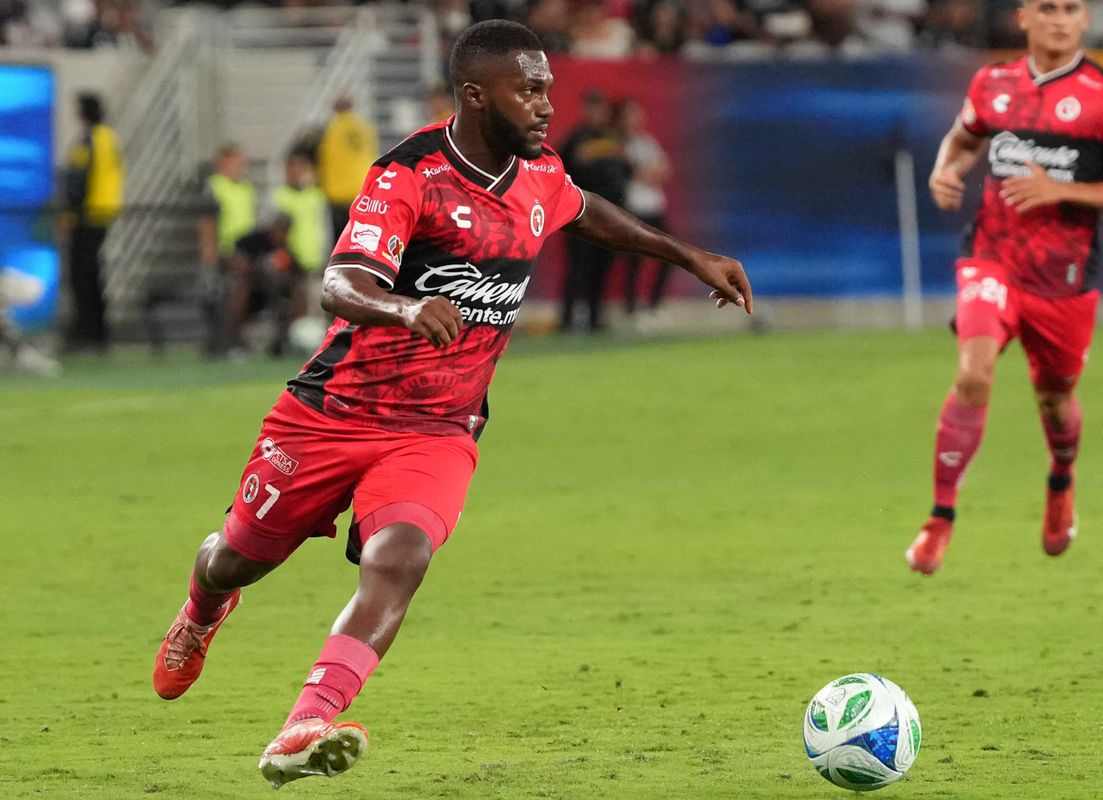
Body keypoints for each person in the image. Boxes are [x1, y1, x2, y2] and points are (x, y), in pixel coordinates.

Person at [151, 19, 752, 789]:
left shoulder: (539, 173)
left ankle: (308, 721)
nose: (545, 104)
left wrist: (687, 252)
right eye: (528, 89)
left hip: (437, 428)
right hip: (332, 413)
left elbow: (583, 209)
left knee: (400, 558)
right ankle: (202, 609)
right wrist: (404, 309)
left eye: (547, 89)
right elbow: (339, 283)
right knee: (238, 559)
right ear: (475, 94)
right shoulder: (410, 174)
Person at [905, 0, 1103, 575]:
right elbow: (964, 138)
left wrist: (1063, 192)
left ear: (1084, 20)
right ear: (1024, 18)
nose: (1059, 19)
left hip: (1063, 281)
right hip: (991, 258)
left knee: (1055, 397)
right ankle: (939, 519)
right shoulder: (992, 82)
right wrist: (946, 168)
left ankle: (1061, 480)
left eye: (1071, 9)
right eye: (1047, 8)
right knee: (973, 372)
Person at [558, 88, 631, 332]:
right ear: (584, 110)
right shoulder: (574, 139)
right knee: (579, 269)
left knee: (602, 269)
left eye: (600, 109)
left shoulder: (614, 138)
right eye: (592, 108)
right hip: (580, 214)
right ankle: (567, 320)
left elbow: (626, 171)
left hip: (610, 213)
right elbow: (559, 173)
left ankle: (595, 318)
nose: (596, 113)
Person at [61, 92, 123, 352]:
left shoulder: (88, 140)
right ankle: (98, 332)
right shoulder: (110, 137)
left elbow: (78, 180)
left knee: (81, 276)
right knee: (94, 275)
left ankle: (86, 333)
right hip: (104, 213)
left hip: (86, 215)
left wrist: (69, 213)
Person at [614, 97, 673, 317]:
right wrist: (646, 171)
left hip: (654, 208)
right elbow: (631, 171)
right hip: (632, 208)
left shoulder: (647, 142)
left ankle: (654, 306)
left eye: (637, 114)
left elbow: (665, 169)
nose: (634, 120)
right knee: (634, 260)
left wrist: (646, 171)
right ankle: (630, 310)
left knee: (669, 254)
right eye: (629, 115)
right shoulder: (617, 142)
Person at [198, 143, 257, 357]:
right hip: (225, 251)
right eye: (235, 161)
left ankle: (237, 338)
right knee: (228, 295)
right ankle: (226, 341)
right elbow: (207, 221)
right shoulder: (214, 186)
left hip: (247, 251)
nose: (239, 166)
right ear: (221, 162)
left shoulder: (246, 188)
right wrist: (211, 254)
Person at [226, 213, 303, 357]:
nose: (282, 234)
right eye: (280, 230)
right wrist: (259, 268)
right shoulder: (252, 241)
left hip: (272, 288)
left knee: (297, 292)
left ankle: (286, 340)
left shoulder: (284, 248)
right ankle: (235, 341)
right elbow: (239, 264)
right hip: (251, 285)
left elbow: (297, 271)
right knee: (240, 291)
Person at [271, 150, 330, 323]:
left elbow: (325, 228)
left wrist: (327, 254)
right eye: (291, 167)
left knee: (317, 304)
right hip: (289, 261)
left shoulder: (316, 196)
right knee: (292, 301)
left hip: (314, 260)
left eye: (300, 167)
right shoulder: (279, 196)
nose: (296, 171)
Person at [316, 95, 378, 242]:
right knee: (361, 241)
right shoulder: (366, 128)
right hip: (362, 192)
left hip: (338, 194)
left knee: (341, 242)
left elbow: (324, 159)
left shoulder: (332, 130)